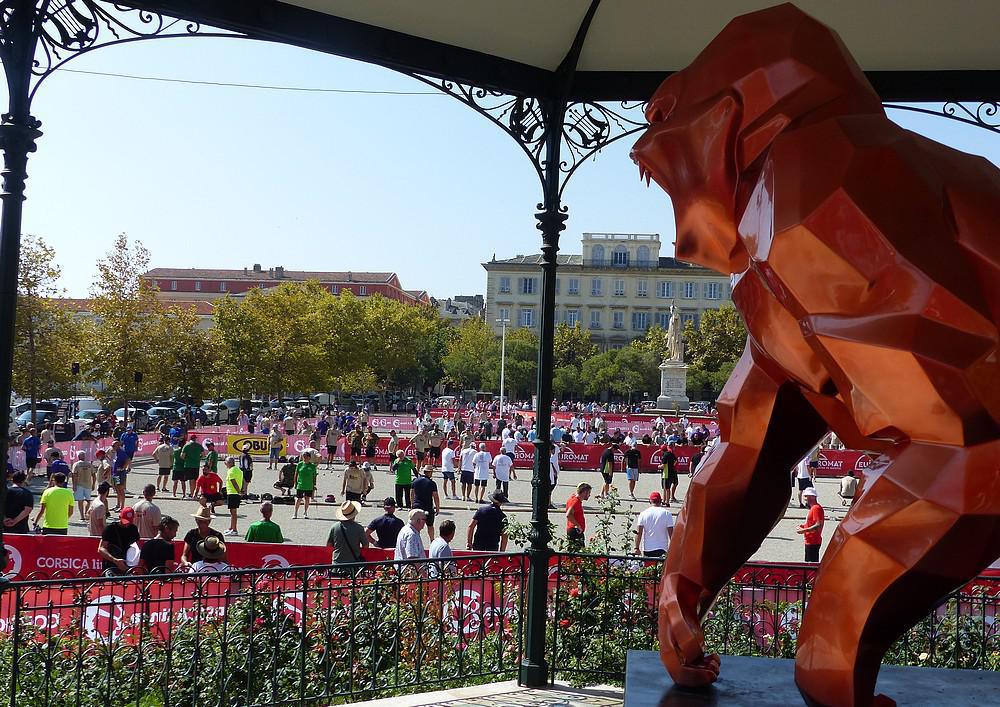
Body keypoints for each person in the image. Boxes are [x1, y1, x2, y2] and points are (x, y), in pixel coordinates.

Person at [327, 501, 369, 570]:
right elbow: (366, 545)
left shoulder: (334, 527)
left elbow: (329, 545)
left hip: (336, 565)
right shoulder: (359, 528)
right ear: (354, 514)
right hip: (352, 566)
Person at [98, 506, 140, 575]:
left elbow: (138, 547)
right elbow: (101, 548)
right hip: (111, 566)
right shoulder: (110, 529)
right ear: (120, 517)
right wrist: (115, 560)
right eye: (125, 520)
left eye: (129, 521)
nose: (127, 523)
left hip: (127, 564)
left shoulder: (133, 529)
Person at [634, 491, 675, 557]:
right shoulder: (667, 513)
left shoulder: (643, 514)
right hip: (662, 548)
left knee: (648, 567)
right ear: (661, 501)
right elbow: (671, 533)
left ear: (650, 501)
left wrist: (636, 548)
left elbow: (639, 533)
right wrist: (674, 548)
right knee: (660, 566)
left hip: (648, 548)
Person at [411, 463, 440, 541]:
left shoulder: (415, 481)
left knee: (416, 525)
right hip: (428, 507)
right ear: (429, 472)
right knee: (430, 525)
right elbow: (435, 496)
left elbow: (412, 493)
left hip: (417, 506)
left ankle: (415, 540)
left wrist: (412, 504)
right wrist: (437, 507)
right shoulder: (432, 483)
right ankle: (432, 540)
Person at [797, 487, 825, 562]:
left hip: (813, 541)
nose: (805, 498)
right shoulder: (814, 508)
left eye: (806, 496)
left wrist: (804, 530)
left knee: (810, 565)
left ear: (812, 497)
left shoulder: (816, 508)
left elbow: (818, 525)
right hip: (811, 540)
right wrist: (803, 526)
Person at [293, 450, 318, 519]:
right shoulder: (300, 464)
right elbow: (296, 474)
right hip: (300, 484)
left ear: (309, 458)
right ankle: (295, 513)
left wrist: (314, 484)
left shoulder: (312, 466)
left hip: (309, 485)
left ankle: (305, 512)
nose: (305, 458)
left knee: (307, 499)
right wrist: (295, 483)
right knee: (298, 499)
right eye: (304, 457)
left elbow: (314, 476)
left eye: (306, 457)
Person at [566, 482, 591, 549]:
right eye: (588, 493)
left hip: (573, 530)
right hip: (575, 531)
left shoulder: (573, 498)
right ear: (584, 492)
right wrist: (578, 525)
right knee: (580, 555)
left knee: (573, 554)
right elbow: (568, 514)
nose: (589, 495)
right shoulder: (576, 501)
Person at [223, 456, 243, 536]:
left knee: (233, 512)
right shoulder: (238, 470)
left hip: (233, 493)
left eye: (226, 462)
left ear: (230, 463)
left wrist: (239, 491)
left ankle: (234, 530)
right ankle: (231, 528)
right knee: (232, 512)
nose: (225, 464)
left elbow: (233, 482)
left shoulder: (230, 471)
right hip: (233, 493)